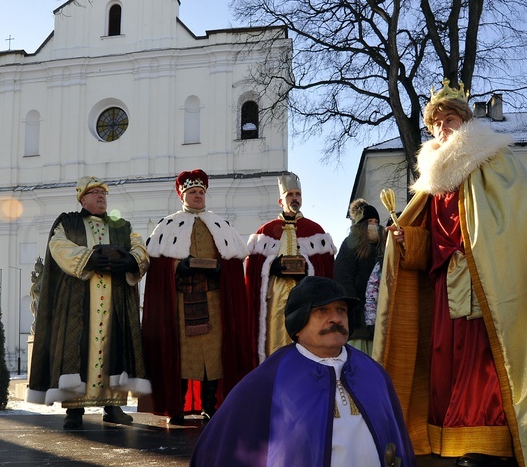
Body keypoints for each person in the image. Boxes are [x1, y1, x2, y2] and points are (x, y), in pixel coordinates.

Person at [373, 80, 527, 467]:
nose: (443, 128)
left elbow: (520, 216)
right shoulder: (433, 182)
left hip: (489, 283)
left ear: (464, 122)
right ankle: (450, 436)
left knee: (483, 358)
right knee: (444, 359)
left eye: (449, 119)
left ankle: (493, 440)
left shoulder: (492, 162)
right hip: (447, 284)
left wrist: (484, 250)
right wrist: (406, 239)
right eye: (436, 124)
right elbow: (430, 242)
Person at [188, 276, 417, 467]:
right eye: (322, 310)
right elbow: (218, 447)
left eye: (341, 310)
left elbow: (398, 446)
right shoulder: (270, 379)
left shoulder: (373, 374)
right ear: (297, 324)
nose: (335, 319)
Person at [27, 175, 151, 429]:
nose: (101, 197)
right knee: (78, 348)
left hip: (115, 300)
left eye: (104, 193)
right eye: (95, 193)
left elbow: (139, 248)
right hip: (78, 299)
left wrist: (129, 261)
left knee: (115, 348)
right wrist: (90, 258)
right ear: (82, 198)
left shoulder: (121, 226)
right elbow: (58, 246)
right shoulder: (68, 222)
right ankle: (74, 410)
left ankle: (113, 406)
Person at [140, 170, 254, 425]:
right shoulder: (168, 225)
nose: (198, 196)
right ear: (183, 195)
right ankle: (177, 407)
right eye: (193, 192)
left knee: (213, 355)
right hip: (181, 301)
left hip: (213, 300)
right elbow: (158, 267)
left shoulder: (221, 224)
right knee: (181, 353)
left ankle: (210, 406)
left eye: (201, 192)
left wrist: (220, 269)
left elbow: (234, 264)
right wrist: (177, 267)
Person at [246, 173, 336, 362]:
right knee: (276, 340)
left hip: (306, 296)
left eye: (298, 194)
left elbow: (326, 267)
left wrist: (308, 270)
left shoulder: (314, 230)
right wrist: (272, 266)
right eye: (290, 195)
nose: (295, 198)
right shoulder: (266, 231)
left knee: (306, 338)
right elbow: (253, 267)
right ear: (281, 201)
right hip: (276, 296)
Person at [334, 198, 386, 355]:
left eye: (376, 221)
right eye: (370, 221)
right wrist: (352, 308)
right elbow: (343, 277)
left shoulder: (384, 246)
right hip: (358, 316)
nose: (374, 224)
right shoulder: (351, 243)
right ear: (362, 224)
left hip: (381, 312)